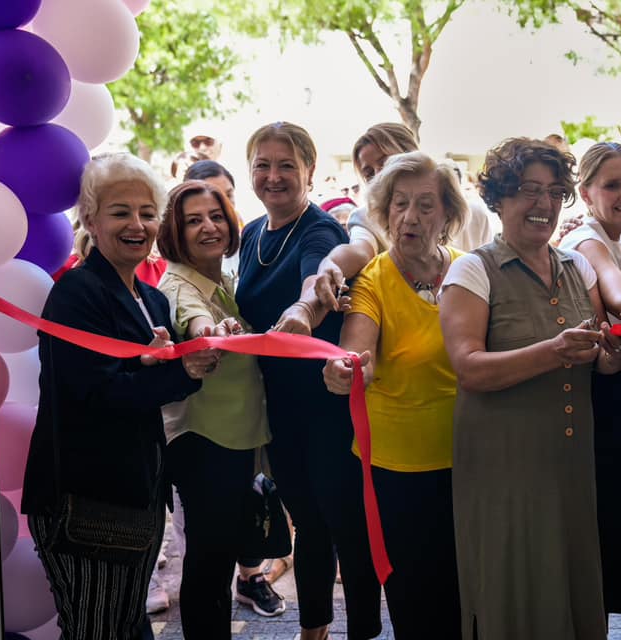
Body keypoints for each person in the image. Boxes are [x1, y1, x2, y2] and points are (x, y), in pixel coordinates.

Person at [439, 137, 621, 639]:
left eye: (555, 192)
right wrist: (553, 351)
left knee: (569, 585)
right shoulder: (473, 269)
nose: (543, 204)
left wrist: (616, 355)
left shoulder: (579, 266)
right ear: (499, 199)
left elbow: (596, 359)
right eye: (528, 190)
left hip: (569, 463)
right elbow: (469, 368)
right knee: (514, 586)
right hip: (504, 465)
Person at [21, 153, 215, 640]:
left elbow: (147, 376)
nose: (137, 224)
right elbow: (100, 394)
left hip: (137, 495)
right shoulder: (75, 295)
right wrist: (179, 371)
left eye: (147, 212)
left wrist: (186, 359)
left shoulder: (150, 300)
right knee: (98, 628)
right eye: (120, 211)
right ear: (89, 219)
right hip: (84, 501)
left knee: (126, 624)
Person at [234, 121, 381, 640]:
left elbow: (320, 280)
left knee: (349, 530)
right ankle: (313, 629)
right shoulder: (252, 234)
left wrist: (306, 307)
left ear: (310, 173)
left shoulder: (320, 230)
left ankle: (362, 629)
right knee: (309, 530)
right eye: (262, 165)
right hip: (279, 411)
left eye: (286, 166)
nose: (273, 177)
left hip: (328, 407)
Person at [322, 152, 467, 638]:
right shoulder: (373, 280)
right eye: (400, 204)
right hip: (395, 473)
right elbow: (354, 351)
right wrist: (346, 371)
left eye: (426, 205)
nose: (411, 217)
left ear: (447, 214)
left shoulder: (471, 273)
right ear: (384, 213)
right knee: (412, 601)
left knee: (465, 595)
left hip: (469, 463)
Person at [156, 181, 283, 636]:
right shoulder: (178, 285)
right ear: (175, 231)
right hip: (205, 441)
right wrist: (214, 331)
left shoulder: (221, 280)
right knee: (209, 564)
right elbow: (197, 322)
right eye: (193, 220)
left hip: (232, 438)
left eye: (215, 216)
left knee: (218, 558)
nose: (208, 227)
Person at [557, 141, 621, 619]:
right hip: (598, 402)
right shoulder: (588, 241)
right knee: (603, 533)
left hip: (619, 397)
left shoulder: (620, 235)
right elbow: (618, 296)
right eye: (612, 184)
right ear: (586, 192)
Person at [311, 123, 493, 321]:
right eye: (369, 174)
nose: (379, 176)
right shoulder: (366, 217)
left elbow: (487, 283)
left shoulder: (475, 217)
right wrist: (330, 265)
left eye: (386, 162)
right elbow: (358, 250)